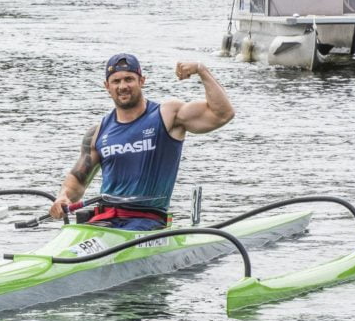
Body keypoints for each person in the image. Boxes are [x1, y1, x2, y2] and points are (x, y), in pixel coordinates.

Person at [49, 53, 235, 230]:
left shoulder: (168, 114)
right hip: (105, 221)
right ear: (107, 86)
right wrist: (62, 198)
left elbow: (222, 114)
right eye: (116, 81)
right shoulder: (98, 132)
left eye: (129, 79)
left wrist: (202, 70)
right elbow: (78, 181)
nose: (122, 86)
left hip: (148, 221)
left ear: (142, 81)